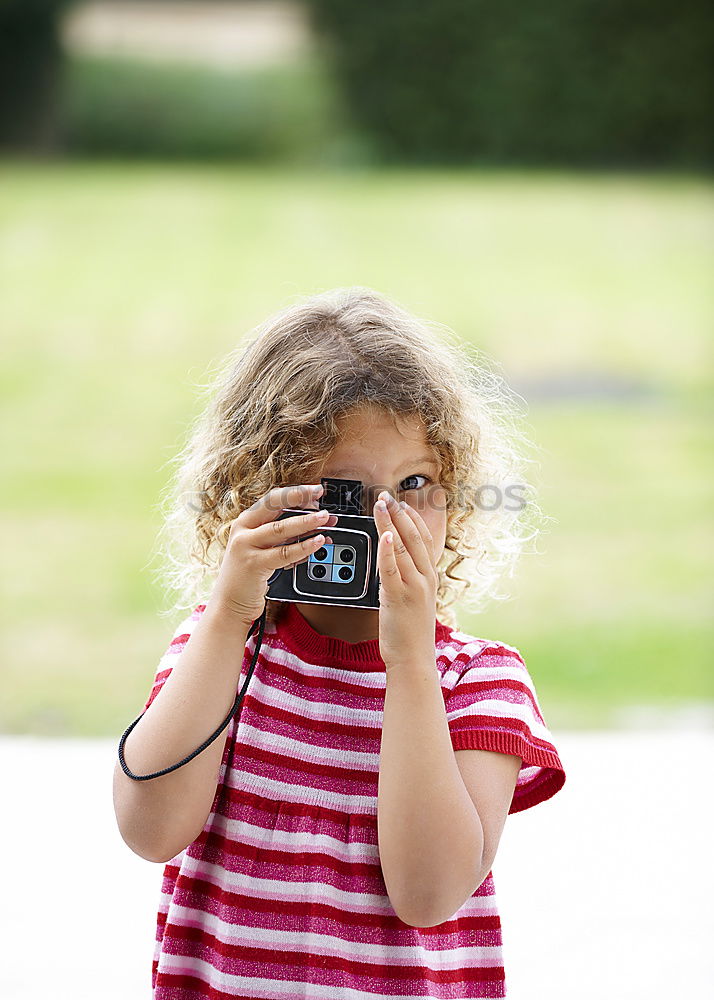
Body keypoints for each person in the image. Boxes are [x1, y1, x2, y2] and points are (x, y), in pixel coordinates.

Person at [113, 286, 566, 999]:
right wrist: (231, 614)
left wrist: (410, 660)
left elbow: (430, 894)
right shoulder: (222, 653)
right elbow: (149, 830)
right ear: (262, 495)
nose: (389, 520)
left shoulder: (478, 684)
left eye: (416, 483)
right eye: (343, 493)